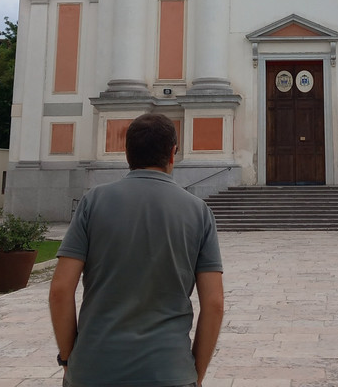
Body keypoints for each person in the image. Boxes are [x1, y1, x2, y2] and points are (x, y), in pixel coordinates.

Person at [49, 113, 225, 387]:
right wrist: (196, 374)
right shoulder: (198, 211)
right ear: (172, 153)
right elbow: (214, 304)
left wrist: (68, 358)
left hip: (94, 369)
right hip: (169, 371)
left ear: (127, 153)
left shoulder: (92, 202)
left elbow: (60, 290)